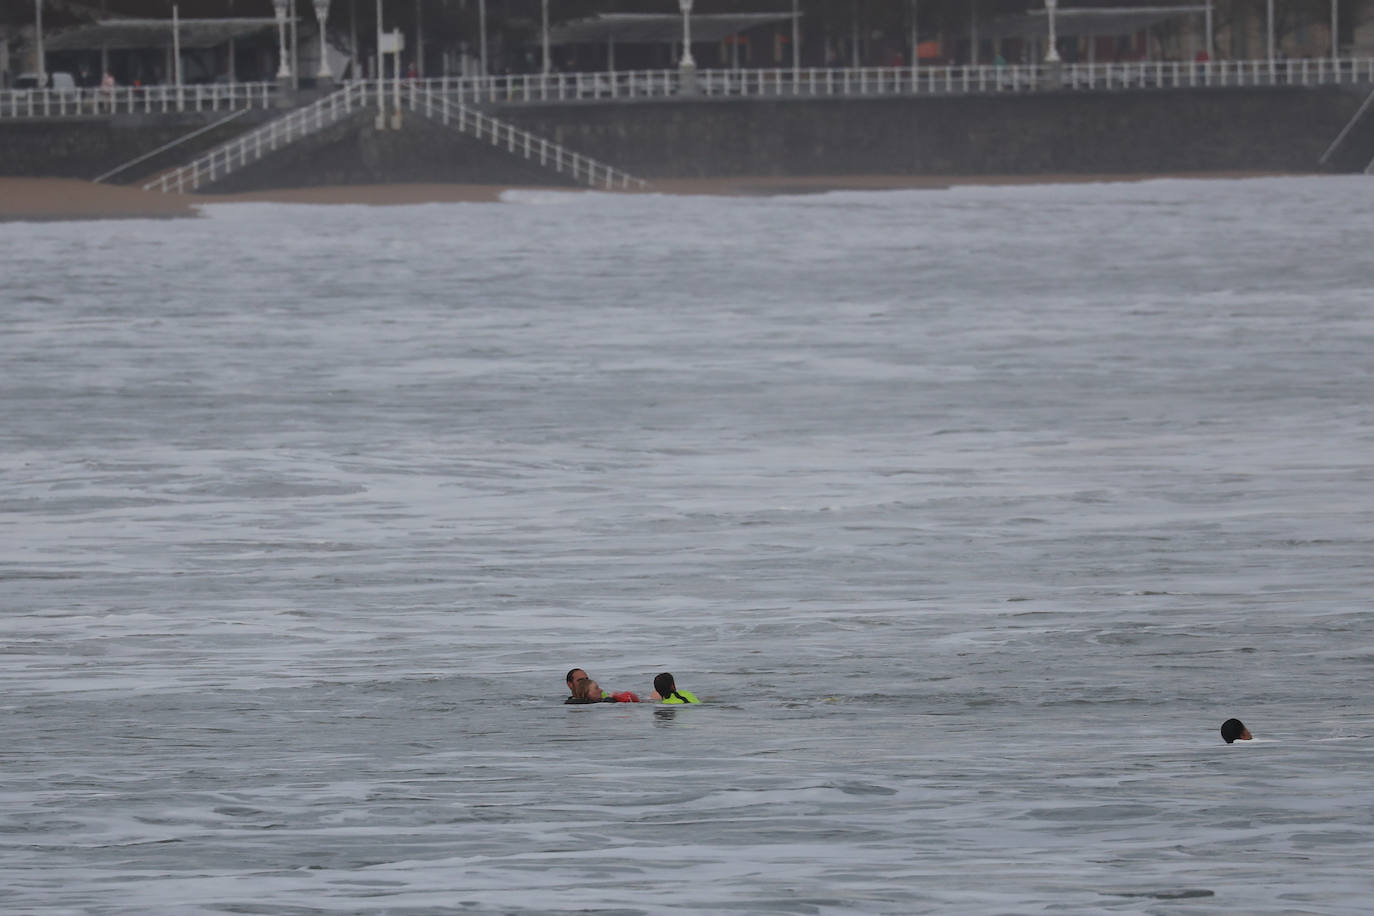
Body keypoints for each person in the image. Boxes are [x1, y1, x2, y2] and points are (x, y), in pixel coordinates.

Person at [563, 669, 638, 704]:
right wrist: (611, 698)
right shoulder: (573, 702)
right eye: (580, 680)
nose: (601, 690)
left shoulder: (602, 697)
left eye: (586, 679)